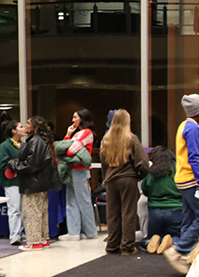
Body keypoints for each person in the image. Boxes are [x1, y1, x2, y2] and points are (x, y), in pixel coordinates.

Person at [164, 94, 199, 274]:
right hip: (193, 180)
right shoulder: (193, 128)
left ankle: (185, 253)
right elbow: (194, 157)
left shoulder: (184, 126)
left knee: (190, 217)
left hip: (185, 179)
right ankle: (179, 250)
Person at [99, 109, 149, 255]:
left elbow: (103, 162)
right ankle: (127, 246)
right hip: (127, 179)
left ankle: (112, 245)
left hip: (111, 180)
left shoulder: (106, 140)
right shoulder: (131, 139)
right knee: (128, 213)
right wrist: (140, 175)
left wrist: (106, 178)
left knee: (112, 213)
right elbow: (143, 161)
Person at [8, 116, 59, 251]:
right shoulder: (42, 141)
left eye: (28, 123)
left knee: (31, 212)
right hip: (41, 182)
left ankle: (35, 242)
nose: (26, 125)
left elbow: (32, 164)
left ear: (35, 127)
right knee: (41, 212)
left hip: (33, 183)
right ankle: (43, 239)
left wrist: (14, 165)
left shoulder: (35, 141)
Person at [59, 108, 98, 241]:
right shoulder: (77, 133)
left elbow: (69, 150)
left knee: (83, 200)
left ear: (82, 118)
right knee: (71, 200)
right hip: (73, 169)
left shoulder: (86, 133)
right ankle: (74, 232)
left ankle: (90, 231)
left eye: (75, 117)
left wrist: (66, 147)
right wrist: (68, 134)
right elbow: (65, 146)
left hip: (80, 170)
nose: (73, 120)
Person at [141, 146, 182, 254]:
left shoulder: (151, 171)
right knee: (178, 235)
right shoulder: (178, 169)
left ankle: (154, 240)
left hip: (155, 211)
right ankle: (173, 241)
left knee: (154, 234)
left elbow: (145, 190)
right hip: (176, 209)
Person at [0, 119, 26, 245]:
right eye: (21, 127)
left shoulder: (23, 144)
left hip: (23, 181)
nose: (24, 129)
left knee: (24, 209)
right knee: (14, 208)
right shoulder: (4, 146)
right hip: (11, 181)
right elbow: (2, 165)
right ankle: (15, 235)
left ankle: (23, 233)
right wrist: (16, 165)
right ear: (14, 131)